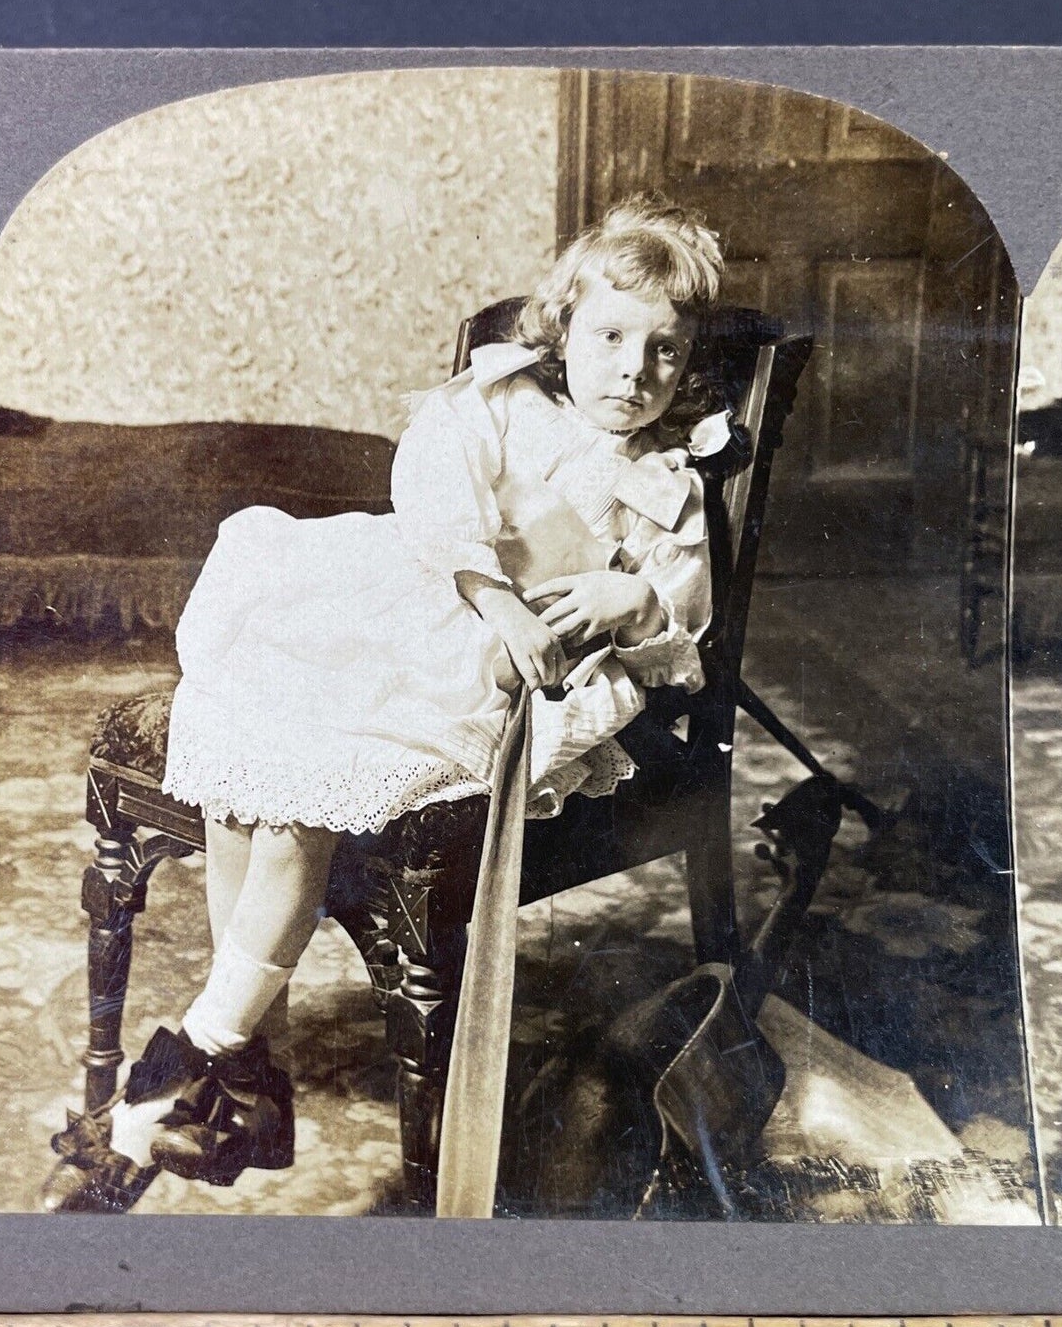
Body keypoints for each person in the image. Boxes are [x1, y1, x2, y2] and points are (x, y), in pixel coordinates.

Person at [57, 192, 735, 1206]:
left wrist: (624, 592)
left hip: (503, 679)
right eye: (608, 337)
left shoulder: (664, 483)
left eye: (663, 352)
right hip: (418, 611)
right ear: (562, 328)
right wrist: (490, 590)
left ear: (687, 365)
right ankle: (243, 1074)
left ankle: (199, 1054)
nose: (632, 372)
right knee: (245, 764)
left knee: (296, 801)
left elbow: (680, 628)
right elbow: (429, 484)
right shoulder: (505, 402)